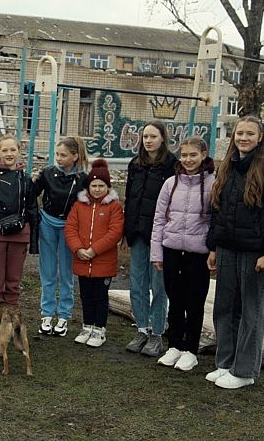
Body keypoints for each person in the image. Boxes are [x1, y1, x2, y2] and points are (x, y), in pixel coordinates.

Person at [205, 115, 264, 389]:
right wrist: (213, 247)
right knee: (224, 308)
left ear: (260, 137)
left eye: (249, 134)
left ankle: (244, 371)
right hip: (227, 247)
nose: (243, 138)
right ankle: (225, 363)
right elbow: (217, 209)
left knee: (250, 312)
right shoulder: (227, 167)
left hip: (255, 252)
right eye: (239, 133)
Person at [150, 137, 215, 371]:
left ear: (204, 154)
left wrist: (213, 250)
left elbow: (216, 219)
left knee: (194, 301)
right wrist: (157, 253)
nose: (188, 160)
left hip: (198, 253)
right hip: (171, 250)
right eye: (184, 155)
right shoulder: (170, 183)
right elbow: (159, 219)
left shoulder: (214, 183)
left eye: (193, 155)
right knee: (175, 299)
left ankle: (190, 350)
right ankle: (174, 345)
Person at [122, 120, 178, 357]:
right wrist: (126, 232)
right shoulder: (135, 165)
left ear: (163, 138)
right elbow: (129, 199)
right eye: (145, 137)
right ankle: (141, 329)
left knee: (159, 285)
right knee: (137, 284)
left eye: (153, 136)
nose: (148, 141)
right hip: (136, 233)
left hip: (160, 235)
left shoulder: (172, 166)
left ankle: (157, 332)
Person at [64, 159, 124, 348]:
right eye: (94, 185)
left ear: (108, 187)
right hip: (82, 260)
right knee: (86, 295)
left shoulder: (114, 207)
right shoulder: (79, 205)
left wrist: (93, 250)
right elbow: (70, 228)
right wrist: (78, 249)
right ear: (88, 186)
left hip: (103, 262)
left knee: (100, 296)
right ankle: (87, 326)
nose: (97, 189)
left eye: (101, 186)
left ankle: (100, 329)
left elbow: (115, 232)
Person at [33, 136, 88, 337]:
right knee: (48, 272)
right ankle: (46, 314)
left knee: (66, 273)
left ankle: (64, 316)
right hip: (47, 224)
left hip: (70, 229)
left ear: (75, 156)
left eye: (63, 155)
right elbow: (32, 194)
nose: (59, 158)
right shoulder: (47, 173)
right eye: (57, 154)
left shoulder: (84, 178)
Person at [0, 135, 39, 306]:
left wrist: (34, 243)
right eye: (5, 150)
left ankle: (11, 319)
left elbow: (33, 210)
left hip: (19, 235)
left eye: (13, 149)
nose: (9, 153)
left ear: (19, 151)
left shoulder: (26, 180)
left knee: (13, 281)